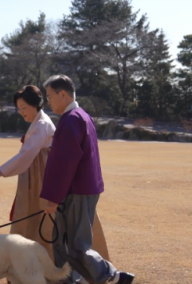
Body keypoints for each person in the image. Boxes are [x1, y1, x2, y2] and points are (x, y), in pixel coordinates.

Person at [0, 85, 112, 274]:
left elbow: (28, 153)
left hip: (42, 174)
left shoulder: (47, 123)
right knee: (58, 226)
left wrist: (2, 169)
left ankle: (102, 274)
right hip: (37, 173)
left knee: (54, 225)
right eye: (19, 108)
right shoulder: (49, 121)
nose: (21, 112)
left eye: (24, 108)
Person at [40, 75, 134, 284]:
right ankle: (69, 280)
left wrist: (53, 198)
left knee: (76, 244)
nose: (48, 101)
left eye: (49, 96)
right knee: (64, 242)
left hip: (77, 191)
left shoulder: (72, 119)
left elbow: (66, 163)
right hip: (82, 189)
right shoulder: (81, 116)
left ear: (62, 94)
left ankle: (113, 277)